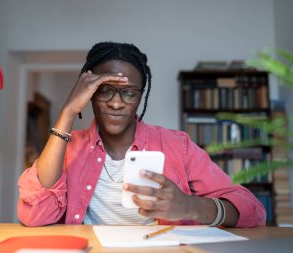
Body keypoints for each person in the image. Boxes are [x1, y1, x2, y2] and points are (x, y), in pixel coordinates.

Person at [17, 41, 266, 227]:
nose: (116, 103)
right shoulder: (68, 147)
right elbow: (34, 214)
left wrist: (190, 206)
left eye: (129, 93)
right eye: (105, 91)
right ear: (88, 92)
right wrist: (68, 111)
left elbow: (253, 211)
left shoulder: (177, 146)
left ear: (140, 97)